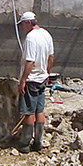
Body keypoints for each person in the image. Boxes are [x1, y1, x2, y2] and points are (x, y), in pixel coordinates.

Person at [16, 11, 54, 152]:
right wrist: (47, 73)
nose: (22, 28)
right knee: (39, 110)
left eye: (22, 25)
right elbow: (51, 57)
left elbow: (30, 61)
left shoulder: (31, 38)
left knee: (28, 112)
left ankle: (25, 144)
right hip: (42, 78)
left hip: (32, 79)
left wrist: (23, 80)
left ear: (27, 23)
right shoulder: (46, 34)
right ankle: (38, 143)